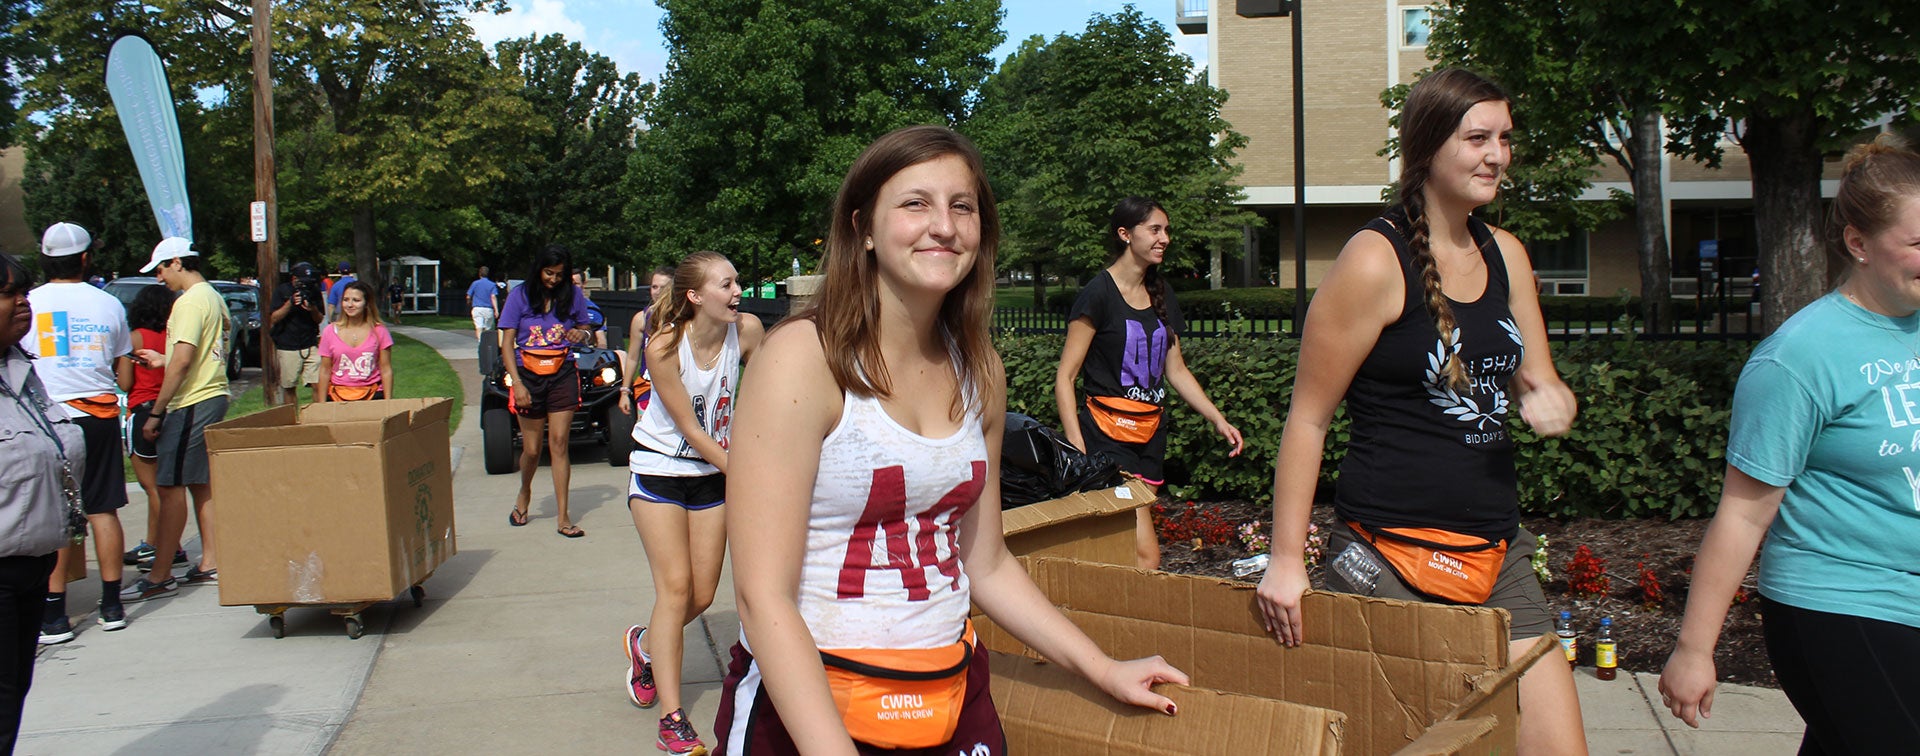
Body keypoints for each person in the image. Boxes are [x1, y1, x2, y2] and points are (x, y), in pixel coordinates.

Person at [720, 125, 1188, 755]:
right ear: (862, 228)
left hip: (948, 693)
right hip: (813, 707)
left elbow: (985, 562)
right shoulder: (802, 360)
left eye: (962, 206)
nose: (943, 225)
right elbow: (760, 595)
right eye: (915, 204)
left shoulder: (980, 368)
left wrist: (1102, 667)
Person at [1252, 68, 1585, 754]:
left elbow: (1540, 380)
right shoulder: (1375, 261)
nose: (1497, 154)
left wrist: (1551, 398)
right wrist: (1286, 560)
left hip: (1499, 554)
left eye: (1504, 138)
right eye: (1478, 138)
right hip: (1389, 558)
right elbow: (1308, 419)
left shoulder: (1508, 255)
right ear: (1429, 147)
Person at [1658, 135, 1920, 752]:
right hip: (1839, 601)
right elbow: (1745, 513)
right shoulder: (1800, 358)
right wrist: (1694, 649)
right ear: (1858, 243)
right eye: (1918, 243)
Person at [619, 252, 763, 754]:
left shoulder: (746, 333)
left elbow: (768, 394)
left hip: (711, 478)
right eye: (727, 284)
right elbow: (690, 430)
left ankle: (645, 646)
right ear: (696, 296)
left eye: (737, 281)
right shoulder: (663, 347)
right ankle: (672, 719)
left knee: (702, 596)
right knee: (676, 590)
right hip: (660, 471)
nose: (738, 290)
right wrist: (749, 474)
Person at [1054, 197, 1245, 570]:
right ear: (1125, 234)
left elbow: (1176, 371)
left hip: (1150, 435)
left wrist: (1217, 419)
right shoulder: (1099, 293)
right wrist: (1079, 448)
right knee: (1146, 553)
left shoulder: (1161, 292)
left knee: (1123, 549)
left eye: (1167, 230)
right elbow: (1065, 377)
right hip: (1107, 438)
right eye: (1155, 229)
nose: (1165, 238)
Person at [23, 222, 132, 642]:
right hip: (99, 414)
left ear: (45, 258)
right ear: (86, 259)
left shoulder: (29, 303)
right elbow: (122, 377)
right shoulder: (108, 304)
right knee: (103, 508)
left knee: (56, 512)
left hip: (49, 416)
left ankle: (53, 615)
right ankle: (111, 605)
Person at [0, 253, 83, 751]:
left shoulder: (19, 371)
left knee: (11, 695)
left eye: (24, 292)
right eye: (9, 293)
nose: (22, 303)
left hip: (31, 564)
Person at [122, 237, 229, 601]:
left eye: (161, 268)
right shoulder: (212, 296)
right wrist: (162, 359)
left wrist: (156, 412)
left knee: (169, 488)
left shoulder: (188, 302)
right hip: (212, 394)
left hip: (191, 402)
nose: (159, 277)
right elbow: (201, 354)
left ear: (178, 262)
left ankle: (160, 574)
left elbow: (184, 361)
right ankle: (210, 562)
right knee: (201, 484)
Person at [498, 244, 596, 538]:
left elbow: (586, 328)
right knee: (531, 449)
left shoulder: (573, 295)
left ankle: (563, 517)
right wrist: (517, 382)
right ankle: (524, 492)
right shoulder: (519, 297)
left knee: (559, 442)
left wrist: (583, 333)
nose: (553, 279)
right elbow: (506, 343)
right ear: (538, 268)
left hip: (562, 371)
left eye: (559, 275)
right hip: (527, 373)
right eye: (548, 273)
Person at [121, 285, 184, 575]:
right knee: (169, 484)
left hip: (143, 410)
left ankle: (155, 544)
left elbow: (124, 383)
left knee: (153, 488)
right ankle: (174, 544)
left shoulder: (135, 338)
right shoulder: (172, 338)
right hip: (170, 409)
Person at [316, 281, 394, 402]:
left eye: (356, 300)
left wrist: (388, 403)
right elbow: (325, 370)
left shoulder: (380, 331)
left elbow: (386, 369)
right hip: (337, 396)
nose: (350, 305)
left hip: (373, 394)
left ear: (366, 303)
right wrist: (322, 404)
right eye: (346, 300)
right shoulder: (329, 331)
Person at [621, 266, 676, 413]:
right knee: (644, 432)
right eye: (654, 286)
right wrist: (625, 391)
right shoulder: (641, 319)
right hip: (647, 386)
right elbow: (632, 357)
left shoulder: (684, 319)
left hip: (676, 388)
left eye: (663, 287)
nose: (657, 291)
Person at [268, 261, 325, 405]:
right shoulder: (282, 291)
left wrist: (312, 308)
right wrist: (290, 303)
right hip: (287, 345)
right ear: (294, 279)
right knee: (289, 386)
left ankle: (317, 418)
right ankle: (293, 420)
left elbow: (319, 319)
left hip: (310, 344)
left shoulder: (314, 291)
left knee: (318, 383)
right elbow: (274, 317)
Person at [467, 266, 500, 343]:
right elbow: (493, 296)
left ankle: (480, 342)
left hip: (477, 308)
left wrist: (469, 301)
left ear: (479, 274)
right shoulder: (492, 285)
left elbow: (468, 296)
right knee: (488, 328)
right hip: (488, 309)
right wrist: (496, 310)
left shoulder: (475, 283)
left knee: (479, 327)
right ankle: (487, 344)